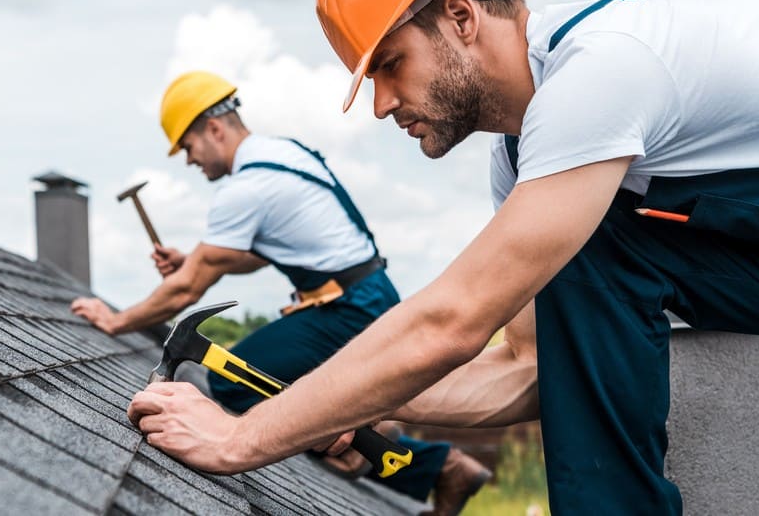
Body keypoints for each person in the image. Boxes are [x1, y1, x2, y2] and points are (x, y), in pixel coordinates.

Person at [124, 0, 759, 515]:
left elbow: (453, 320)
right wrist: (336, 411)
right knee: (591, 251)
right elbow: (534, 373)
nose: (381, 106)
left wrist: (244, 437)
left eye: (391, 66)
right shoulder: (531, 163)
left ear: (462, 17)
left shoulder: (601, 74)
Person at [70, 70, 490, 514]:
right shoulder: (283, 155)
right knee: (292, 385)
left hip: (349, 308)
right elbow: (255, 254)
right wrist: (190, 262)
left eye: (189, 148)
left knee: (232, 384)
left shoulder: (248, 187)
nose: (191, 161)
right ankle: (390, 445)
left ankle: (379, 450)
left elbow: (186, 292)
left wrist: (115, 320)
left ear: (213, 129)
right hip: (363, 294)